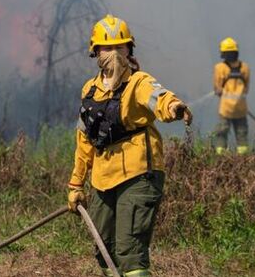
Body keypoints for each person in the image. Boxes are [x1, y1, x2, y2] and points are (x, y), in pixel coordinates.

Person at [67, 14, 192, 277]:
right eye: (107, 48)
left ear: (129, 50)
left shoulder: (139, 82)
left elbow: (159, 97)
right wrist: (76, 184)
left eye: (119, 47)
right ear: (95, 52)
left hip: (138, 175)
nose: (113, 53)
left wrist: (174, 107)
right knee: (104, 250)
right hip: (102, 180)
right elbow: (84, 140)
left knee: (130, 252)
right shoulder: (89, 90)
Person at [212, 37, 251, 155]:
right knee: (242, 134)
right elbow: (246, 89)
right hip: (241, 109)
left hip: (226, 110)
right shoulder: (245, 67)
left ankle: (221, 157)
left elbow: (217, 89)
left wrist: (220, 90)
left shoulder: (220, 68)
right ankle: (243, 158)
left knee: (221, 133)